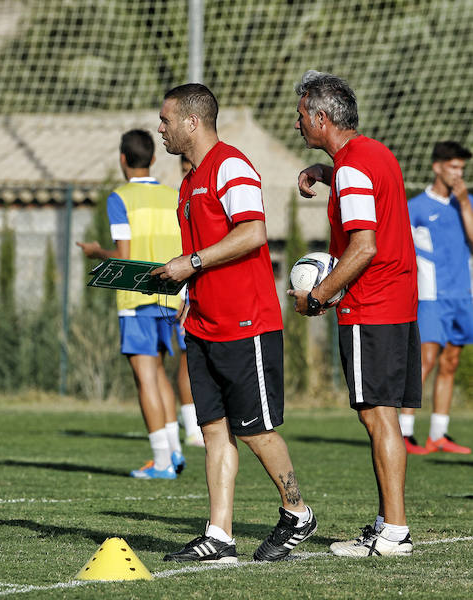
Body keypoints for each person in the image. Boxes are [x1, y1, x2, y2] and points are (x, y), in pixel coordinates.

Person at [151, 83, 315, 563]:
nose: (160, 128)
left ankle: (298, 512)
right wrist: (184, 286)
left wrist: (192, 263)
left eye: (165, 119)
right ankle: (219, 536)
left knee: (256, 431)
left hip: (248, 323)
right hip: (203, 324)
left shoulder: (231, 165)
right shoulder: (188, 181)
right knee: (214, 431)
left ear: (192, 121)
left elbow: (253, 233)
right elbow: (201, 256)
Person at [291, 70, 419, 557]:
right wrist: (327, 174)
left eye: (302, 115)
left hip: (372, 304)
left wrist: (319, 296)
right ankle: (391, 525)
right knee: (382, 415)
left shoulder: (352, 169)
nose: (297, 123)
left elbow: (364, 246)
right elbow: (372, 198)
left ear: (322, 118)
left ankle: (393, 532)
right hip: (396, 300)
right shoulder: (374, 155)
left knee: (377, 417)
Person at [77, 129, 200, 480]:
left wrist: (97, 251)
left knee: (145, 377)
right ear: (154, 159)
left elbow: (124, 257)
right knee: (159, 373)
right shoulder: (171, 195)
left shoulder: (120, 198)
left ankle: (162, 460)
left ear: (122, 159)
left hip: (136, 298)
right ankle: (173, 453)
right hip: (172, 297)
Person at [402, 141, 473, 455]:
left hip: (463, 293)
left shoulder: (467, 203)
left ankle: (438, 434)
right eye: (453, 167)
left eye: (462, 168)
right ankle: (404, 431)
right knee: (425, 359)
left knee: (451, 362)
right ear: (437, 167)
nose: (459, 173)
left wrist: (464, 204)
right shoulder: (416, 207)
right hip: (431, 295)